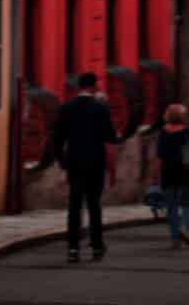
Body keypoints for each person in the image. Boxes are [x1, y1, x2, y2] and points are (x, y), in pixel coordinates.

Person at [53, 71, 118, 264]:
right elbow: (111, 137)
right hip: (95, 160)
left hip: (75, 159)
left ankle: (73, 248)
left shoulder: (67, 108)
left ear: (78, 86)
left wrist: (62, 161)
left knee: (74, 205)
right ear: (95, 86)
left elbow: (57, 138)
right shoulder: (101, 108)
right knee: (94, 204)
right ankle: (97, 245)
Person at [155, 103, 189, 248]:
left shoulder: (163, 134)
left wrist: (156, 174)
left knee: (172, 207)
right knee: (188, 203)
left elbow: (159, 156)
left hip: (168, 172)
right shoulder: (188, 133)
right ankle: (184, 226)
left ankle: (175, 238)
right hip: (185, 172)